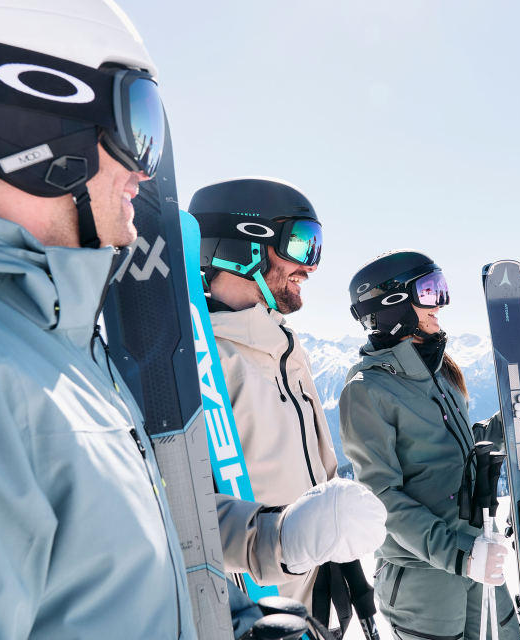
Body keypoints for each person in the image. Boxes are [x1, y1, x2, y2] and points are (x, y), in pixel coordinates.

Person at [0, 2, 274, 637]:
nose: (144, 169)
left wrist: (233, 615)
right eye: (135, 119)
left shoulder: (59, 343)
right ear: (26, 121)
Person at [189, 177, 387, 636]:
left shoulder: (289, 351)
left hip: (314, 609)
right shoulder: (196, 361)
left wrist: (342, 564)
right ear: (243, 246)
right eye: (300, 243)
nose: (311, 266)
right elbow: (178, 511)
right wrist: (279, 538)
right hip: (250, 619)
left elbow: (319, 474)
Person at [339, 250, 520, 640]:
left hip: (477, 555)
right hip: (423, 578)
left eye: (440, 289)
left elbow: (462, 453)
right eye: (429, 291)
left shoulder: (441, 372)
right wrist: (460, 556)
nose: (441, 303)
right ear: (392, 303)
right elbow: (383, 498)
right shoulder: (367, 390)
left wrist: (510, 421)